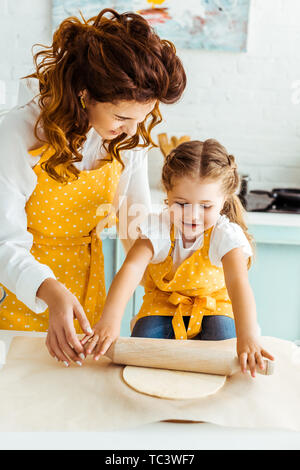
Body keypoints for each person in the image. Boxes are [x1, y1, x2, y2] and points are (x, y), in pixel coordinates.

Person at [0, 8, 186, 367]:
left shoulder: (127, 141)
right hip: (19, 296)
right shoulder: (17, 132)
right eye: (121, 117)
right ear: (85, 93)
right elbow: (3, 241)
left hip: (90, 297)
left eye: (141, 119)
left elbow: (137, 230)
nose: (133, 131)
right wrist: (51, 293)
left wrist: (169, 282)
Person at [83, 139, 275, 377]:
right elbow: (131, 268)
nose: (193, 215)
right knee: (140, 358)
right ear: (167, 193)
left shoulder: (225, 235)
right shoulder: (159, 227)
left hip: (215, 306)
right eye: (182, 204)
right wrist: (109, 321)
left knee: (227, 355)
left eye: (205, 206)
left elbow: (238, 284)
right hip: (162, 304)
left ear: (223, 201)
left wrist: (248, 337)